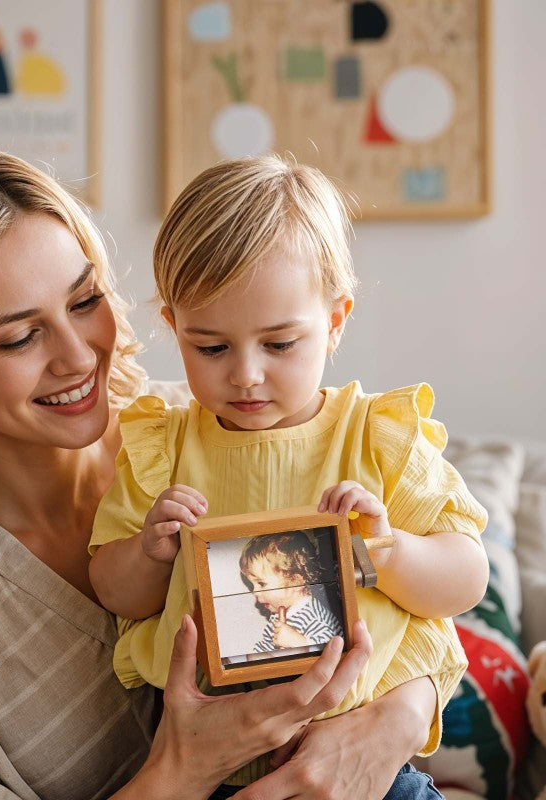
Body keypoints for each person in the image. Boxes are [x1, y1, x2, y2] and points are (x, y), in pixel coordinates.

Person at [0, 140, 443, 800]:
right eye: (19, 337)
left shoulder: (193, 428)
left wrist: (394, 721)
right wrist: (183, 769)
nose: (80, 358)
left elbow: (414, 605)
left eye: (85, 301)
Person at [88, 155, 490, 797]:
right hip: (215, 772)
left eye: (279, 344)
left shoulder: (378, 436)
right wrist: (148, 552)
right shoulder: (161, 446)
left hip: (372, 769)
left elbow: (466, 577)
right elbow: (114, 593)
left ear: (335, 321)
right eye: (211, 347)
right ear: (174, 327)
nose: (246, 374)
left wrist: (386, 549)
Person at [238, 531, 344, 654]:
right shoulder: (276, 617)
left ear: (296, 581)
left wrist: (299, 643)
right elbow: (265, 647)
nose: (255, 591)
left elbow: (335, 650)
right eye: (252, 585)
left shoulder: (314, 617)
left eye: (261, 584)